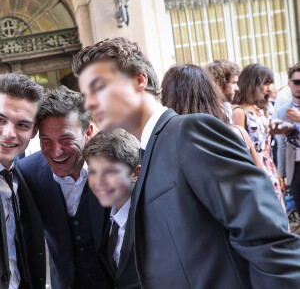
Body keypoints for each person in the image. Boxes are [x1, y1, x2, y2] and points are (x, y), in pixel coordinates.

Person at [73, 37, 300, 288]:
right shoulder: (147, 152)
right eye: (86, 94)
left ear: (139, 80)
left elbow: (268, 239)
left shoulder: (190, 131)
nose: (90, 103)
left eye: (99, 87)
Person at [18, 86, 112, 289]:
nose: (56, 151)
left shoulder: (114, 165)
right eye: (46, 141)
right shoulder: (27, 172)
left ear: (88, 132)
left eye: (66, 139)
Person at [161, 63, 261, 167]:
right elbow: (262, 180)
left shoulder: (165, 146)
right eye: (234, 83)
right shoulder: (236, 134)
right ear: (210, 93)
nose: (237, 88)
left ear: (168, 98)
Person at [0, 74, 45, 289]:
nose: (9, 134)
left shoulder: (24, 180)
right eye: (0, 120)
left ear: (34, 132)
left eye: (23, 125)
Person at [83, 129, 141, 289]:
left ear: (136, 173)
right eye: (93, 172)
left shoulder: (150, 221)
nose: (99, 182)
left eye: (109, 172)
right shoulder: (106, 214)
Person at [232, 63, 286, 209]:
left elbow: (267, 148)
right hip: (256, 172)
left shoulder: (259, 109)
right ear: (253, 83)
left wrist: (275, 171)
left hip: (269, 169)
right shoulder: (239, 111)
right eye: (266, 83)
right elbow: (242, 150)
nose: (269, 88)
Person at [275, 62, 300, 214]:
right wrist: (282, 174)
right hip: (295, 169)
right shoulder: (283, 111)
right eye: (296, 82)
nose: (299, 86)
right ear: (289, 83)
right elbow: (281, 144)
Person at [206, 59, 240, 124]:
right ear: (219, 84)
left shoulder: (226, 106)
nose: (237, 88)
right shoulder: (209, 111)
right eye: (233, 83)